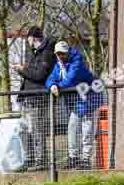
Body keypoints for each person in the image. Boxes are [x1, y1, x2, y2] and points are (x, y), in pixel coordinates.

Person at [45, 41, 102, 170]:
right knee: (72, 127)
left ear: (68, 53)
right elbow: (50, 79)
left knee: (87, 129)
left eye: (62, 54)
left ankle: (86, 159)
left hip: (90, 98)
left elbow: (71, 80)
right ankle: (73, 157)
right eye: (58, 54)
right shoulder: (58, 65)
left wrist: (58, 85)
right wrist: (52, 85)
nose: (60, 56)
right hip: (77, 101)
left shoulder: (77, 63)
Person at [13, 26, 57, 171]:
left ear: (32, 38)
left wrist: (22, 70)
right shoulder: (35, 52)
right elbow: (32, 73)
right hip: (27, 98)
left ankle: (40, 160)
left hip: (37, 98)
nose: (28, 41)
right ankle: (29, 159)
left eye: (29, 39)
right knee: (23, 129)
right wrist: (24, 70)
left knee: (37, 130)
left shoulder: (47, 53)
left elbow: (39, 76)